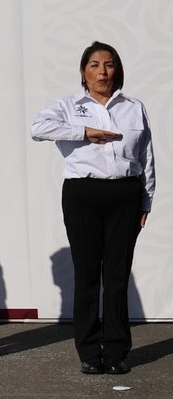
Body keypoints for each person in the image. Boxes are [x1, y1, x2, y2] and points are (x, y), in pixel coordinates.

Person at [31, 41, 155, 376]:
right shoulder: (69, 106)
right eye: (95, 65)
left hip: (125, 194)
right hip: (83, 193)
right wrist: (83, 132)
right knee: (87, 273)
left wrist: (146, 199)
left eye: (109, 64)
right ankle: (89, 350)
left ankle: (116, 351)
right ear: (84, 72)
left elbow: (146, 157)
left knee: (117, 275)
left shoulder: (133, 106)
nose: (103, 71)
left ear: (118, 70)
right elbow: (38, 129)